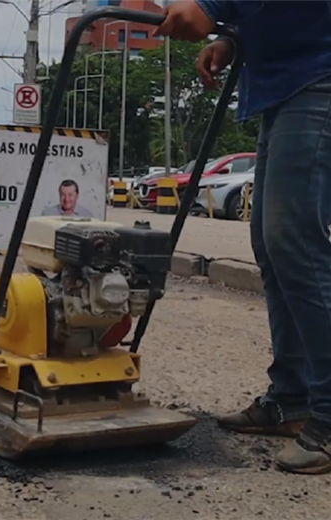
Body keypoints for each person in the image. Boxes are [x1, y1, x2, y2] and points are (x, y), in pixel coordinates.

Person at [156, 0, 331, 474]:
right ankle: (292, 399)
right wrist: (234, 37)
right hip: (291, 82)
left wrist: (211, 8)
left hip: (320, 78)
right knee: (273, 247)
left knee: (295, 242)